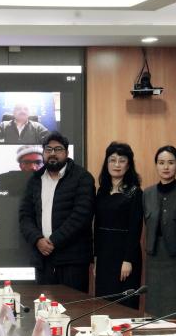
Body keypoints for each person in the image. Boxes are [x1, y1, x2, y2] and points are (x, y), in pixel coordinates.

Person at [19, 132, 95, 292]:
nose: (52, 153)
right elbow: (25, 216)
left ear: (66, 153)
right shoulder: (35, 180)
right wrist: (38, 240)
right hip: (43, 258)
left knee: (74, 305)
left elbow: (82, 215)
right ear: (44, 153)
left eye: (58, 149)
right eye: (48, 149)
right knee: (44, 305)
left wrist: (53, 241)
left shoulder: (83, 178)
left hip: (73, 260)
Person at [143, 146, 176, 318]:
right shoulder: (147, 193)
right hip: (154, 257)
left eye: (170, 162)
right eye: (161, 162)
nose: (165, 167)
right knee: (154, 308)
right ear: (156, 165)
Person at [94, 142, 143, 307]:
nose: (117, 165)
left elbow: (135, 228)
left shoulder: (135, 192)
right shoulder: (101, 191)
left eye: (122, 161)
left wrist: (128, 260)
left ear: (128, 165)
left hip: (124, 255)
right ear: (106, 163)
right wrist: (96, 258)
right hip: (104, 255)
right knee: (103, 303)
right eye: (112, 160)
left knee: (124, 304)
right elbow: (97, 226)